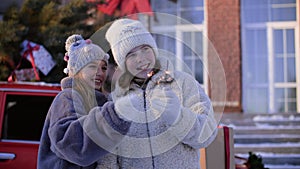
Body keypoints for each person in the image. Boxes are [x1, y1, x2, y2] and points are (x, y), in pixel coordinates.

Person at [96, 18, 218, 168]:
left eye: (145, 49)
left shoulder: (184, 83)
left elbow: (207, 135)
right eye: (131, 55)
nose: (141, 59)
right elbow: (109, 158)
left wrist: (178, 117)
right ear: (122, 62)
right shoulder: (116, 100)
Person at [37, 34, 131, 169]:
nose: (100, 73)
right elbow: (75, 147)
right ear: (77, 70)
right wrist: (114, 116)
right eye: (93, 66)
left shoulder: (101, 102)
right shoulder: (67, 98)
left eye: (103, 68)